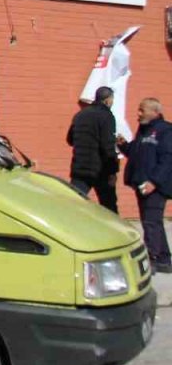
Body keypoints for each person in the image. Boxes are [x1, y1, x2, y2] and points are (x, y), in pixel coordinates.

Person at [121, 97, 172, 273]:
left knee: (151, 222)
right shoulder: (143, 130)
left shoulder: (165, 131)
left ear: (155, 112)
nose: (138, 113)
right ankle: (165, 259)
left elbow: (167, 160)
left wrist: (154, 182)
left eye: (142, 110)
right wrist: (123, 146)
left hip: (155, 186)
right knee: (152, 222)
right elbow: (135, 153)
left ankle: (154, 259)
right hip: (141, 183)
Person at [67, 86, 120, 213]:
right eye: (112, 99)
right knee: (109, 208)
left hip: (79, 168)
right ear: (107, 100)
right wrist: (113, 171)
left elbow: (70, 139)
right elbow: (108, 146)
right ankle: (112, 232)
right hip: (100, 170)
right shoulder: (107, 116)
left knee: (73, 205)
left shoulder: (80, 115)